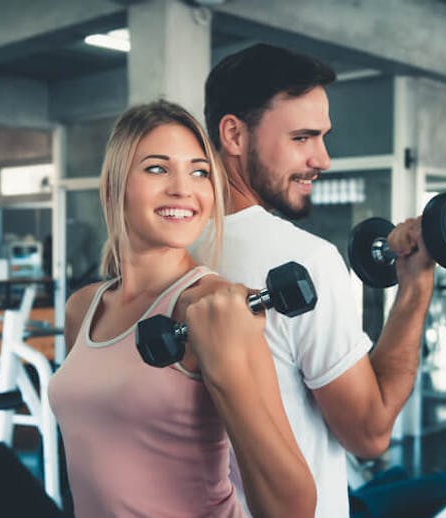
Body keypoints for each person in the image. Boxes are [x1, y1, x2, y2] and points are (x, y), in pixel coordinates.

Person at [203, 43, 440, 516]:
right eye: (303, 138)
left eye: (323, 137)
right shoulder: (305, 260)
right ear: (233, 133)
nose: (323, 159)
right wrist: (416, 286)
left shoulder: (162, 253)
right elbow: (369, 434)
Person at [47, 100, 315, 517]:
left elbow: (292, 510)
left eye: (200, 172)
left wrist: (226, 367)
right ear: (116, 185)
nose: (183, 189)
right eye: (157, 168)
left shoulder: (214, 307)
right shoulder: (83, 308)